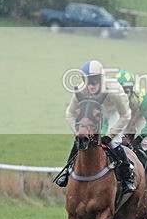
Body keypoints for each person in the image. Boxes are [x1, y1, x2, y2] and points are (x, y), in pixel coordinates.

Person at [54, 59, 137, 195]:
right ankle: (68, 171)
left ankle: (127, 177)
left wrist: (109, 135)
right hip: (93, 115)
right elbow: (69, 113)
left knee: (114, 142)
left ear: (101, 79)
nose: (91, 86)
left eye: (94, 81)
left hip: (114, 113)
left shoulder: (114, 90)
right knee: (80, 139)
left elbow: (125, 115)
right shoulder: (81, 90)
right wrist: (77, 131)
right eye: (88, 81)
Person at [112, 69, 147, 188]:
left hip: (139, 115)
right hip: (122, 116)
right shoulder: (111, 96)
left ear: (132, 88)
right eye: (120, 90)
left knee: (145, 143)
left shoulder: (142, 96)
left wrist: (139, 138)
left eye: (126, 90)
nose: (124, 94)